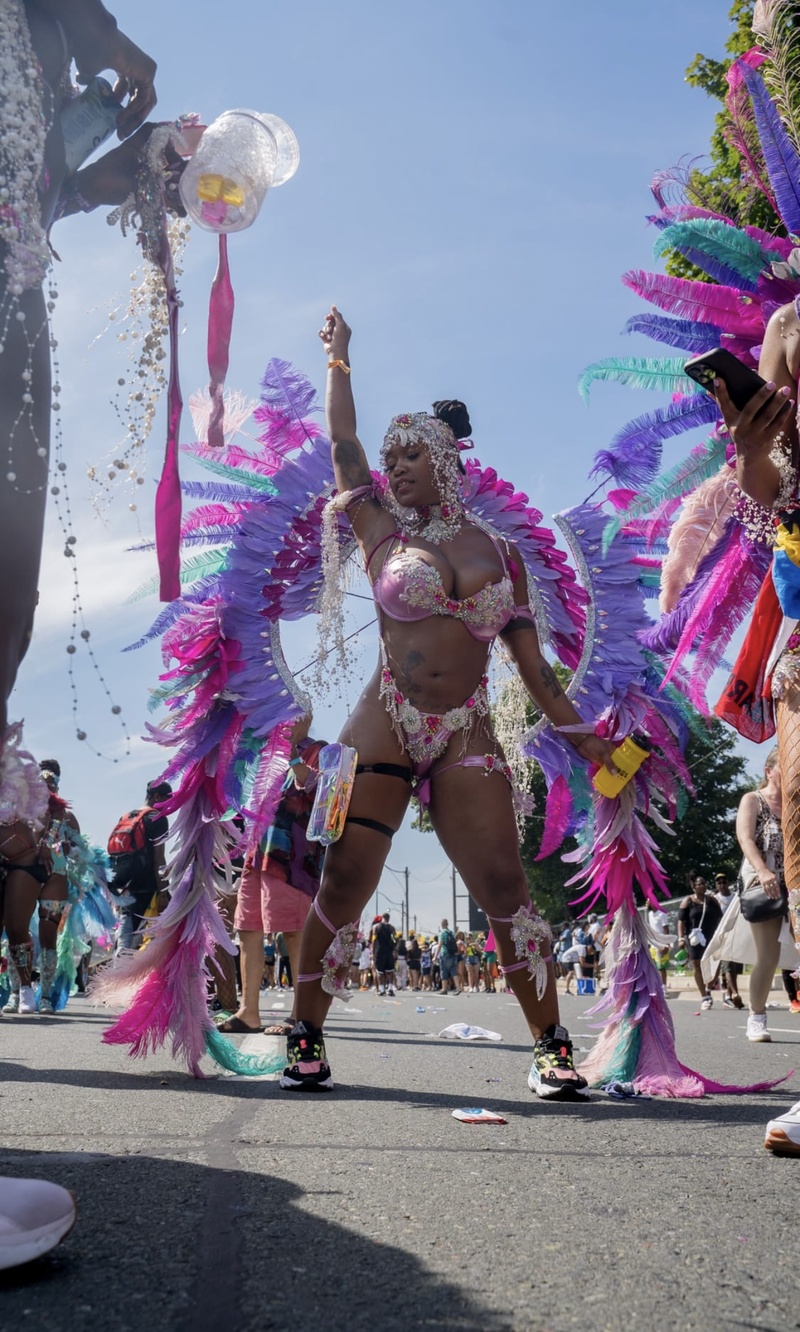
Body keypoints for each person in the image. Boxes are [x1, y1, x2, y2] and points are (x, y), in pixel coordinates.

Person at [279, 309, 615, 1096]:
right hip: (383, 722)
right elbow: (343, 448)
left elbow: (532, 669)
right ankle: (305, 1032)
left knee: (503, 885)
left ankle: (551, 1048)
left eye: (408, 457)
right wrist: (340, 361)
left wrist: (586, 741)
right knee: (345, 878)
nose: (392, 469)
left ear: (444, 462)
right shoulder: (378, 530)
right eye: (388, 458)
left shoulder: (501, 554)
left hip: (466, 729)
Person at [0, 1, 162, 741]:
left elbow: (58, 192)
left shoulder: (48, 96)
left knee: (8, 585)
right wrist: (111, 42)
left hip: (17, 327)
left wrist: (156, 162)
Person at [219, 718, 325, 1035]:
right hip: (258, 853)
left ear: (307, 718)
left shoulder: (319, 750)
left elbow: (308, 785)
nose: (285, 722)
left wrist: (292, 748)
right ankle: (248, 1012)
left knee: (294, 932)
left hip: (293, 858)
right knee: (247, 929)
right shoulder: (268, 753)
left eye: (293, 717)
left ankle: (300, 1015)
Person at [735, 750, 786, 1043]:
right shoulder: (753, 800)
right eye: (788, 765)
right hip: (764, 880)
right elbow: (745, 838)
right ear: (769, 771)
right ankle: (756, 1016)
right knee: (769, 956)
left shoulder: (797, 802)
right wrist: (763, 871)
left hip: (795, 882)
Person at [108, 780, 170, 951]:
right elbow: (159, 858)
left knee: (125, 940)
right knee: (156, 942)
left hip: (125, 886)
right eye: (167, 799)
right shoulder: (158, 818)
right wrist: (164, 892)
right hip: (148, 889)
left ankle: (118, 973)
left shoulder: (127, 816)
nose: (170, 804)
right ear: (156, 796)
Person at [677, 875, 723, 1010]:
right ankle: (705, 996)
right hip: (694, 939)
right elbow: (681, 921)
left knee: (715, 963)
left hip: (711, 937)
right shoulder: (688, 901)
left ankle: (709, 987)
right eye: (699, 884)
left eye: (704, 883)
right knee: (697, 965)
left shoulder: (712, 901)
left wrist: (722, 934)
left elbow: (720, 918)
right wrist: (680, 938)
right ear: (693, 887)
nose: (703, 885)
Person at [372, 912, 397, 996]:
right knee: (390, 971)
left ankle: (382, 989)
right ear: (389, 918)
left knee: (379, 971)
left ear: (382, 917)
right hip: (389, 951)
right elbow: (394, 940)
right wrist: (394, 949)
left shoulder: (376, 927)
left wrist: (373, 952)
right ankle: (390, 989)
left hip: (380, 951)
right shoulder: (392, 928)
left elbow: (374, 940)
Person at [437, 919, 459, 996]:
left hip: (445, 954)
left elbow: (440, 945)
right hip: (453, 954)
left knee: (444, 971)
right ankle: (458, 987)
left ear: (442, 924)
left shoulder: (442, 933)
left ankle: (444, 989)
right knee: (454, 971)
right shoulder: (452, 933)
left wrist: (435, 956)